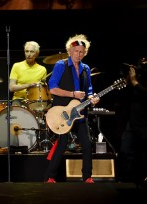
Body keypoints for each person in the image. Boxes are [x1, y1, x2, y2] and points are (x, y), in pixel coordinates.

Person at [44, 34, 100, 183]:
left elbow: (88, 89)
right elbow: (52, 88)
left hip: (80, 112)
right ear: (70, 50)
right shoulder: (61, 65)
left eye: (82, 52)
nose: (79, 54)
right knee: (62, 144)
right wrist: (72, 94)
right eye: (76, 51)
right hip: (63, 112)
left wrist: (92, 97)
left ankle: (87, 177)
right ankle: (50, 177)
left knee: (87, 144)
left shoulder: (85, 68)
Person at [118, 59, 147, 187]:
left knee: (143, 153)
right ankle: (128, 179)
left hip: (144, 122)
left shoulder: (142, 81)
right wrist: (129, 80)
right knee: (126, 150)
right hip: (132, 121)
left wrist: (135, 81)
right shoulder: (136, 79)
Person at [9, 41, 48, 107]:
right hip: (18, 99)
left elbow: (42, 91)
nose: (28, 54)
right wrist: (28, 85)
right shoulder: (16, 66)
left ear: (36, 54)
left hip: (34, 100)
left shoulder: (42, 69)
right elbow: (11, 88)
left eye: (32, 52)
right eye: (27, 51)